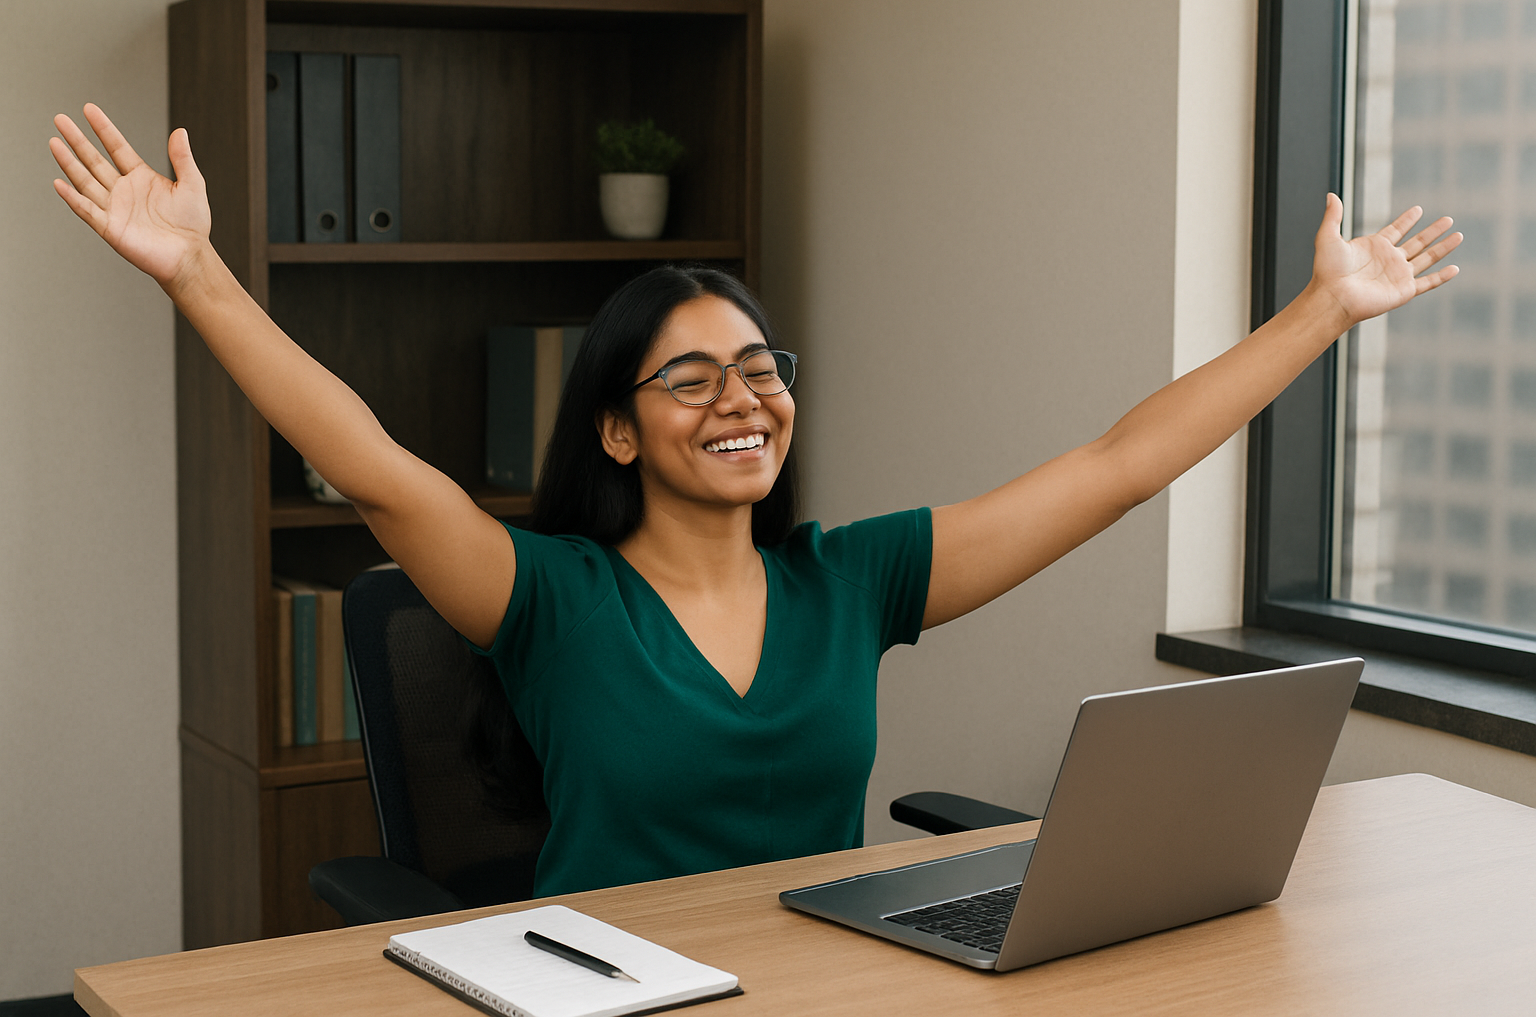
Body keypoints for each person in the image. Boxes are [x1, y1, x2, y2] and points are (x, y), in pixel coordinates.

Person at [50, 104, 1461, 896]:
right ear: (613, 431)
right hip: (606, 993)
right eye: (688, 382)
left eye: (759, 368)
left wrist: (1320, 315)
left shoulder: (855, 581)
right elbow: (362, 459)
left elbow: (1118, 466)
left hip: (813, 982)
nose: (742, 400)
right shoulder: (543, 599)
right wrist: (196, 277)